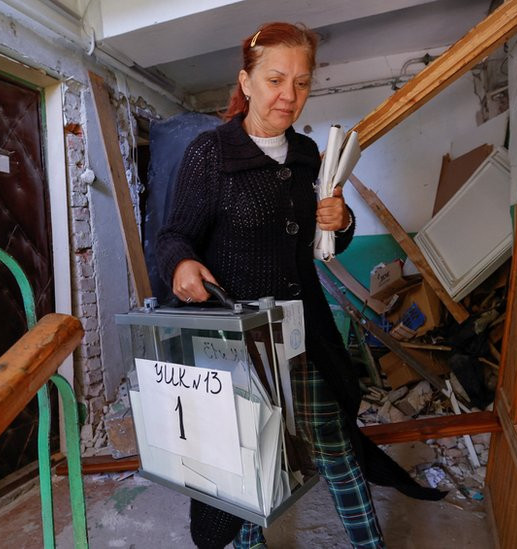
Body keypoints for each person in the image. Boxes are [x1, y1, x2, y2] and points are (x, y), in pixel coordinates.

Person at [157, 22, 444, 549]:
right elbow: (175, 235)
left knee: (335, 442)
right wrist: (181, 266)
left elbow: (325, 240)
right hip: (238, 341)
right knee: (245, 455)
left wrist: (341, 222)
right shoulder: (211, 154)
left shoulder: (309, 155)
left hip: (302, 330)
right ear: (245, 82)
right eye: (274, 80)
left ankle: (367, 543)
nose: (289, 96)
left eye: (302, 82)